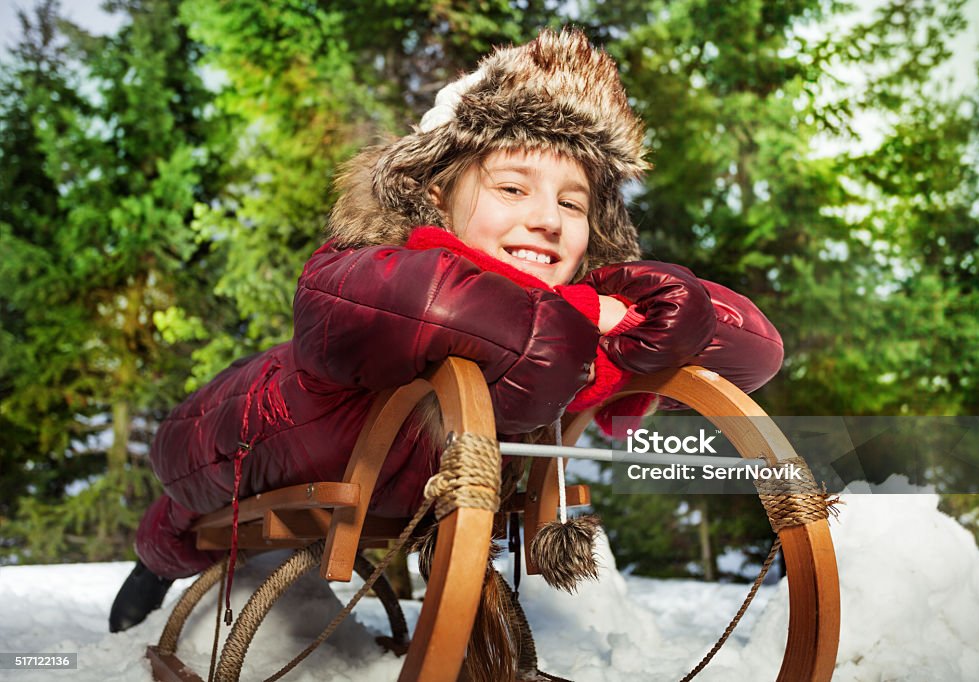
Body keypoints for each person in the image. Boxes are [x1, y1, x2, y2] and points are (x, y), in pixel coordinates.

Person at [109, 28, 783, 634]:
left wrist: (668, 306)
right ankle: (154, 566)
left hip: (430, 485)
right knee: (184, 517)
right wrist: (589, 329)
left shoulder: (578, 306)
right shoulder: (367, 270)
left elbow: (755, 349)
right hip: (239, 437)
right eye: (513, 189)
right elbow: (447, 311)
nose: (547, 219)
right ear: (439, 196)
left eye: (572, 203)